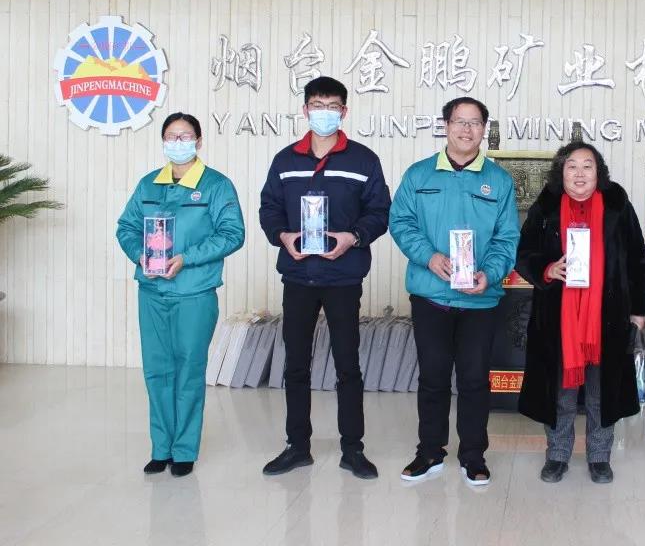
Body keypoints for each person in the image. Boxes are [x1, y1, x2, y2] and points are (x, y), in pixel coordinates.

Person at [259, 77, 391, 479]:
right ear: (305, 110)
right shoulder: (285, 160)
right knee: (296, 364)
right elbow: (269, 207)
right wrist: (281, 236)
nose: (325, 113)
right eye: (318, 105)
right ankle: (297, 446)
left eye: (333, 106)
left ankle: (353, 449)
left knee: (348, 365)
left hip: (343, 277)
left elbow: (380, 212)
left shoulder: (363, 160)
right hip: (298, 275)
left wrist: (354, 237)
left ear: (344, 112)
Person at [389, 97, 519, 486]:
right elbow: (401, 222)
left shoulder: (499, 181)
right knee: (432, 376)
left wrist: (489, 275)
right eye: (460, 121)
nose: (466, 129)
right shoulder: (419, 175)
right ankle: (429, 452)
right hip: (432, 295)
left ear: (484, 130)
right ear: (446, 126)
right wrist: (428, 257)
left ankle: (473, 456)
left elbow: (507, 238)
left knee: (475, 379)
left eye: (475, 123)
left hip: (481, 300)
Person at [116, 112, 245, 477]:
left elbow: (232, 234)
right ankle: (161, 448)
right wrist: (139, 255)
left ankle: (184, 450)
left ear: (199, 141)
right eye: (171, 136)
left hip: (194, 292)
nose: (178, 142)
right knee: (157, 370)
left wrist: (186, 258)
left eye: (185, 136)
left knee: (188, 369)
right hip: (152, 291)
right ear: (163, 141)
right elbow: (126, 227)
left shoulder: (216, 185)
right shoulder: (148, 185)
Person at [515, 142, 645, 484]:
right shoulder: (547, 205)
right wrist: (546, 269)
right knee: (559, 391)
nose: (579, 173)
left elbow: (637, 257)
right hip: (557, 316)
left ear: (598, 172)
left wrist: (639, 309)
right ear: (561, 172)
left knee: (600, 391)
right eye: (571, 166)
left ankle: (599, 456)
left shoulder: (617, 204)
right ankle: (558, 454)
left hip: (608, 315)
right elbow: (524, 251)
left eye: (587, 166)